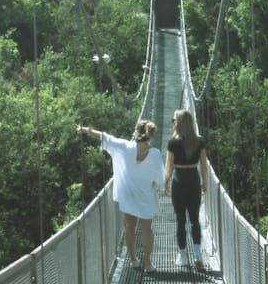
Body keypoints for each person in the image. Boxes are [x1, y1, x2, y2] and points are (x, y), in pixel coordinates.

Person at [77, 120, 164, 272]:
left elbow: (104, 137)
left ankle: (134, 260)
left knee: (129, 227)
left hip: (128, 194)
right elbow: (159, 180)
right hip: (145, 196)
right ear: (151, 136)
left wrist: (86, 129)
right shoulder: (155, 154)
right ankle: (148, 263)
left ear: (136, 132)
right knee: (146, 229)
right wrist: (159, 187)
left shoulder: (124, 147)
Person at [165, 109, 208, 268]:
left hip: (178, 181)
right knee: (195, 219)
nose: (173, 122)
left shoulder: (172, 142)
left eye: (174, 120)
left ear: (180, 123)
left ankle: (182, 256)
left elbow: (169, 166)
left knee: (180, 220)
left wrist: (166, 182)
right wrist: (204, 183)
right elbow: (204, 165)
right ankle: (197, 254)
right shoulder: (200, 141)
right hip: (194, 180)